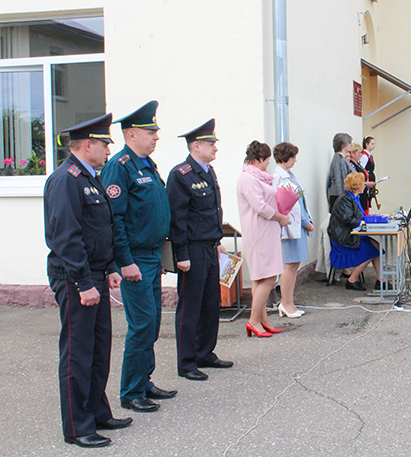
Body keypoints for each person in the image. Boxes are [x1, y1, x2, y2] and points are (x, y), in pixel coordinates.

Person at [44, 114, 132, 448]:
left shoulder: (90, 177)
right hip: (75, 277)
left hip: (94, 273)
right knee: (78, 353)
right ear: (87, 145)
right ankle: (77, 426)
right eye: (104, 144)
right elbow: (66, 237)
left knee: (98, 348)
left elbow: (99, 228)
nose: (109, 149)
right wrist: (83, 282)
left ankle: (97, 412)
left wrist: (110, 267)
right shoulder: (66, 179)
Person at [100, 100, 176, 413]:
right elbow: (114, 219)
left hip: (152, 256)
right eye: (150, 132)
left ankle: (144, 381)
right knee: (142, 324)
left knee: (152, 323)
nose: (156, 137)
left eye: (155, 132)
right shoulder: (119, 167)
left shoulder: (147, 165)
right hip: (135, 259)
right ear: (131, 135)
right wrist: (125, 261)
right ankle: (131, 392)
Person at [167, 119, 233, 382]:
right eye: (210, 143)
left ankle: (205, 352)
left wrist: (217, 241)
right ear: (196, 146)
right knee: (191, 306)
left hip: (209, 246)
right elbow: (178, 219)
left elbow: (211, 211)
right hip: (192, 250)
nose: (215, 148)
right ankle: (186, 361)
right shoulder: (181, 175)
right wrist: (181, 254)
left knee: (210, 303)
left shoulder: (208, 172)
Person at [236, 141, 289, 338]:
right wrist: (280, 217)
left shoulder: (258, 177)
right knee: (268, 277)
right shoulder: (248, 179)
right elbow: (260, 206)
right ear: (259, 159)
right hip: (259, 232)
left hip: (266, 231)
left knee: (262, 277)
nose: (268, 164)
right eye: (267, 160)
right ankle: (253, 321)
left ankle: (262, 319)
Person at [272, 142, 314, 318]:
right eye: (293, 157)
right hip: (291, 227)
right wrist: (306, 222)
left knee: (293, 265)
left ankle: (289, 302)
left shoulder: (287, 175)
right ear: (286, 157)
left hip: (295, 225)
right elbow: (292, 205)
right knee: (289, 266)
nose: (295, 160)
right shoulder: (280, 177)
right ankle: (286, 303)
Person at [328, 172, 383, 291]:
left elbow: (356, 217)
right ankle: (352, 280)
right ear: (357, 186)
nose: (364, 186)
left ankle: (381, 280)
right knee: (372, 251)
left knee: (378, 247)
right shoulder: (345, 199)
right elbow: (347, 219)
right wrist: (362, 222)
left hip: (351, 234)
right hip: (343, 238)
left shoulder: (352, 197)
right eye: (362, 184)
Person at [327, 133, 354, 212]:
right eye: (349, 143)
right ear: (343, 145)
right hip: (340, 197)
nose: (351, 145)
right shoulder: (339, 160)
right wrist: (343, 200)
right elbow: (341, 181)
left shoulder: (342, 159)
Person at [348, 143, 375, 214]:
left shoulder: (358, 164)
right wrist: (366, 184)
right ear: (352, 153)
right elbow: (354, 181)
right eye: (358, 153)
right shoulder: (351, 165)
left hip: (364, 193)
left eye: (361, 153)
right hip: (360, 194)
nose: (360, 155)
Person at [359, 136, 378, 209]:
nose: (374, 146)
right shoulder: (364, 156)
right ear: (366, 144)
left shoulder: (369, 155)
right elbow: (362, 169)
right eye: (372, 144)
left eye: (374, 144)